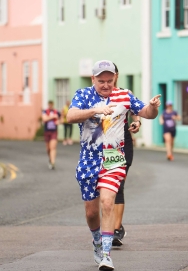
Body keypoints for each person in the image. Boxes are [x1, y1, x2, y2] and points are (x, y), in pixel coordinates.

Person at [67, 60, 161, 270]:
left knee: (108, 203)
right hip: (89, 159)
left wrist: (153, 108)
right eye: (101, 81)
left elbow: (146, 112)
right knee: (92, 213)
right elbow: (70, 116)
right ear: (93, 79)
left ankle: (107, 254)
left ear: (115, 79)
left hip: (113, 159)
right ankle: (97, 242)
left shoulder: (124, 95)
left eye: (109, 81)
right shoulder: (83, 95)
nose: (106, 85)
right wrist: (94, 110)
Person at [111, 63, 142, 247]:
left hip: (123, 143)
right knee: (107, 188)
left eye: (111, 75)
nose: (108, 80)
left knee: (118, 185)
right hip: (103, 145)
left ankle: (116, 230)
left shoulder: (125, 93)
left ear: (116, 75)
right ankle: (113, 225)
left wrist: (137, 122)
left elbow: (136, 111)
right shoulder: (96, 97)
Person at [42, 101, 60, 170]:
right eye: (49, 105)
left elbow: (60, 119)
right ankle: (50, 159)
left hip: (53, 132)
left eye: (51, 105)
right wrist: (52, 117)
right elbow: (44, 119)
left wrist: (58, 122)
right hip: (47, 132)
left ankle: (53, 162)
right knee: (48, 149)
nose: (50, 106)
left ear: (53, 105)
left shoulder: (56, 112)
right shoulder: (45, 111)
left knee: (53, 147)